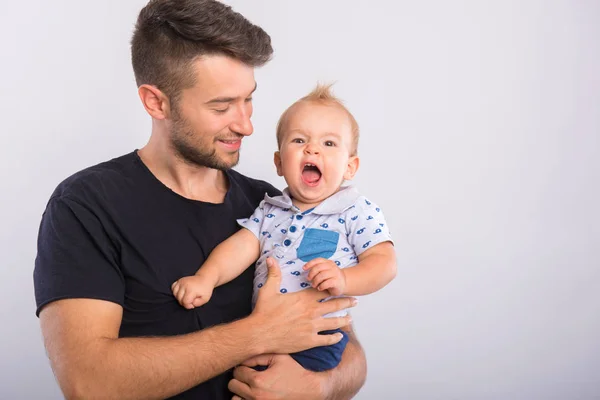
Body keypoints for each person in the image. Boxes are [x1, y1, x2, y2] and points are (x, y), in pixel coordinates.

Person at [33, 1, 368, 399]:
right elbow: (89, 384)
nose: (246, 124)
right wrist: (255, 334)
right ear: (156, 102)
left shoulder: (275, 204)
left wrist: (320, 386)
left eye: (248, 99)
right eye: (222, 106)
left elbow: (347, 346)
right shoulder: (86, 206)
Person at [172, 84, 397, 373]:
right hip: (265, 332)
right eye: (299, 140)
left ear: (350, 167)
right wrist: (206, 278)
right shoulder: (270, 209)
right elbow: (241, 247)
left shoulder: (355, 210)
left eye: (329, 144)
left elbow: (384, 264)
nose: (312, 149)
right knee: (242, 379)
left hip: (318, 336)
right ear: (279, 163)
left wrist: (344, 278)